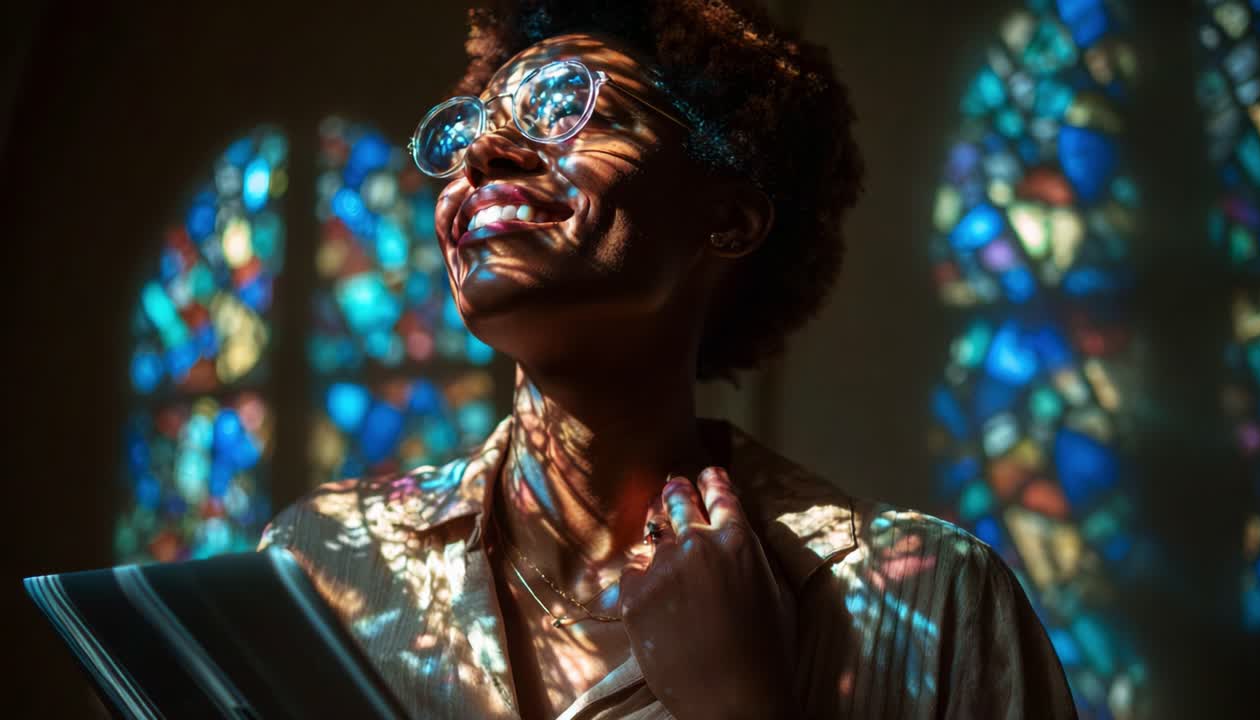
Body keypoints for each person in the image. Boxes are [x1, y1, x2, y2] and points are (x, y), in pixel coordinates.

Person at [259, 1, 1077, 717]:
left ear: (728, 217)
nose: (483, 154)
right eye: (468, 127)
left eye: (562, 109)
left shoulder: (934, 603)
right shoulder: (321, 567)